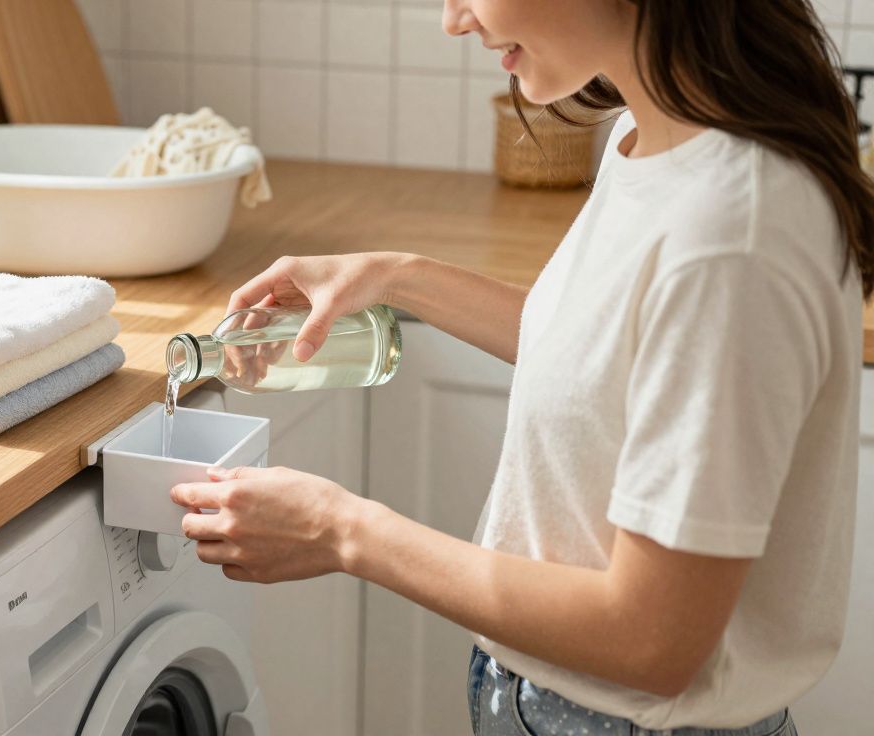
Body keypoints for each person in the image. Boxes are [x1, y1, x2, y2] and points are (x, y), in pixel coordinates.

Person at [169, 1, 873, 733]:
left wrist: (343, 531)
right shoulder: (652, 134)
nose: (455, 19)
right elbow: (607, 360)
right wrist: (395, 276)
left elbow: (652, 640)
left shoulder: (729, 235)